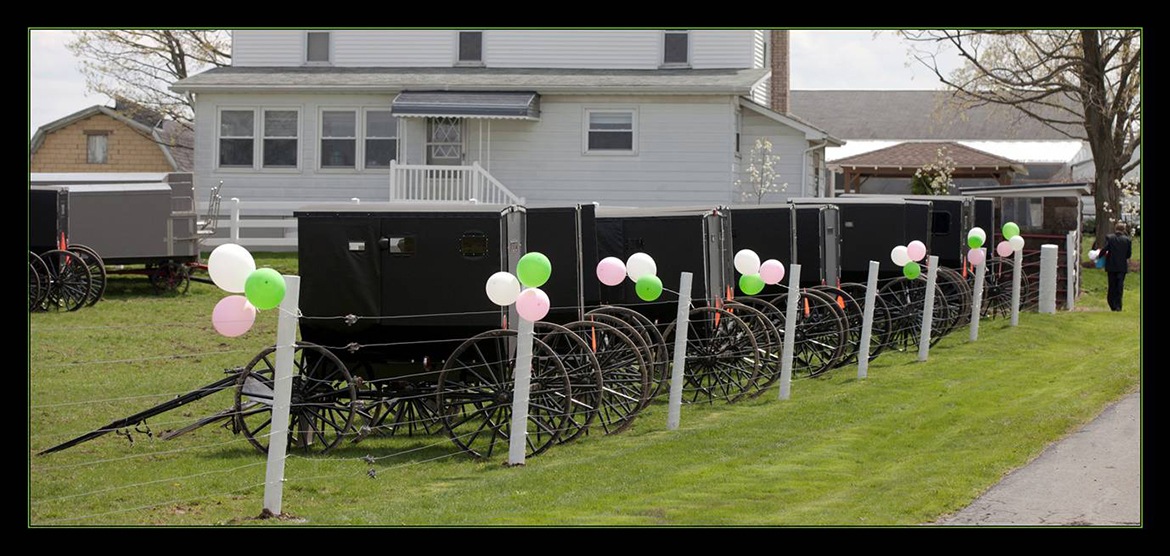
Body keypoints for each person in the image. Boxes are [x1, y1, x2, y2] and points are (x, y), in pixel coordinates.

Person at [1100, 221, 1133, 312]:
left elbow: (1105, 249)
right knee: (1119, 286)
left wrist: (1099, 255)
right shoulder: (1127, 240)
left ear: (1115, 229)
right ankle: (1118, 305)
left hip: (1111, 265)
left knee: (1112, 285)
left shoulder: (1110, 238)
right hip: (1122, 266)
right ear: (1124, 230)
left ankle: (1112, 304)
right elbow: (1128, 255)